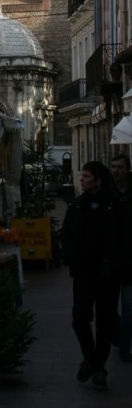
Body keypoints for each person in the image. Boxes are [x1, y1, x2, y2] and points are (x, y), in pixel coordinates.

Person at [61, 161, 123, 390]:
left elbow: (123, 240)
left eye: (87, 176)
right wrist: (69, 258)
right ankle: (94, 361)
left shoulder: (115, 206)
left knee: (105, 322)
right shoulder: (77, 206)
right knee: (80, 318)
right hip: (83, 273)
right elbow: (66, 234)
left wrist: (115, 265)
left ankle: (96, 366)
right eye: (82, 175)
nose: (82, 179)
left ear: (98, 180)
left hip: (107, 274)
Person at [111, 154, 132, 362]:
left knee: (128, 306)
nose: (116, 170)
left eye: (120, 167)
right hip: (109, 259)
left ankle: (124, 345)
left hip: (129, 260)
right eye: (113, 167)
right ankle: (117, 337)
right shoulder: (107, 193)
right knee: (108, 308)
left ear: (127, 169)